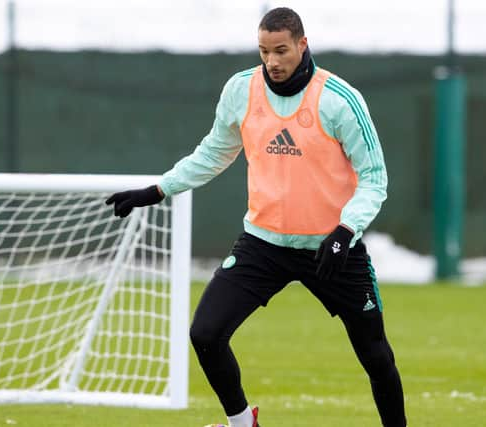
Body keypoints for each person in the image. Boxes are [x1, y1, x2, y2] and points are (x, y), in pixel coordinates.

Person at [106, 7, 406, 427]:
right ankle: (243, 423)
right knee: (205, 334)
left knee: (375, 354)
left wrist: (344, 230)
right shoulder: (241, 90)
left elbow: (374, 179)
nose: (272, 61)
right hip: (263, 245)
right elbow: (215, 151)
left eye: (281, 50)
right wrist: (158, 189)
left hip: (332, 247)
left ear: (303, 44)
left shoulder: (340, 99)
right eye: (264, 51)